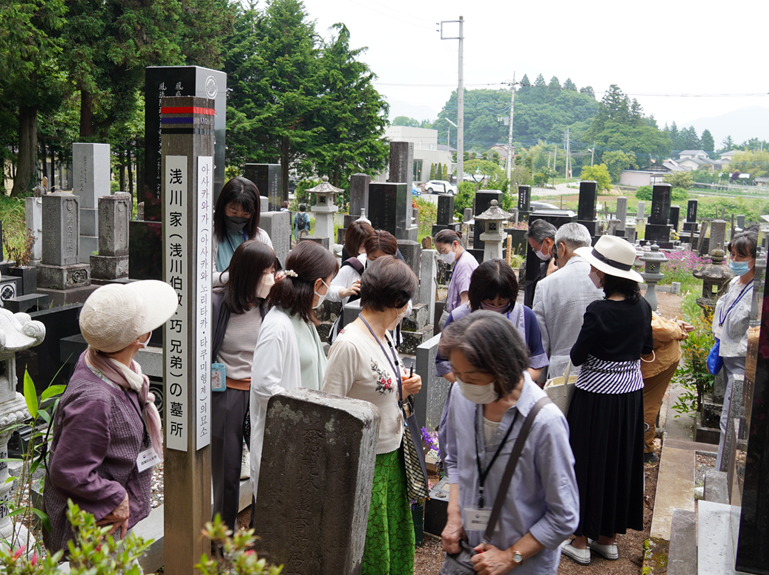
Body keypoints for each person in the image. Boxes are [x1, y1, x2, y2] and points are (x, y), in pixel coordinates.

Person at [439, 312, 579, 574]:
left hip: (522, 566)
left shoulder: (545, 423)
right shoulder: (462, 394)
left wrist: (510, 557)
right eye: (456, 373)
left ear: (502, 369)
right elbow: (455, 460)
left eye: (472, 377)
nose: (462, 384)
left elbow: (564, 516)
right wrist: (454, 516)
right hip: (468, 553)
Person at [44, 281, 177, 554]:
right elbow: (69, 471)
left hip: (107, 520)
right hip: (95, 526)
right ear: (140, 338)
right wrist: (117, 498)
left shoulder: (102, 362)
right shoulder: (95, 399)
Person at [322, 256, 422, 575]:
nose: (408, 307)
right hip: (366, 463)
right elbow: (329, 412)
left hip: (392, 455)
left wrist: (402, 391)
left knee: (392, 537)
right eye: (406, 300)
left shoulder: (385, 334)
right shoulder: (349, 345)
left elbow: (373, 392)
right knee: (372, 547)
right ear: (395, 301)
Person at [561, 235, 653, 565]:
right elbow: (646, 347)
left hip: (595, 397)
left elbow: (576, 355)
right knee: (617, 460)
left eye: (594, 269)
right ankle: (608, 538)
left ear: (604, 275)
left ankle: (582, 540)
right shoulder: (642, 306)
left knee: (587, 460)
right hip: (629, 397)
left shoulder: (598, 311)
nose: (592, 273)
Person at [249, 241, 338, 501]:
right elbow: (265, 387)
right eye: (329, 283)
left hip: (306, 436)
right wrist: (308, 412)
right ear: (318, 284)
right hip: (286, 440)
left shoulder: (301, 317)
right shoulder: (278, 325)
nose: (329, 290)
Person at [211, 240, 277, 530]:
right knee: (226, 470)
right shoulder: (216, 304)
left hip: (262, 395)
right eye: (266, 271)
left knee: (268, 465)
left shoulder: (271, 304)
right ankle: (223, 535)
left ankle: (264, 531)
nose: (271, 277)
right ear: (248, 273)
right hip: (227, 394)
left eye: (273, 270)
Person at [436, 258, 549, 382]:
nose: (496, 307)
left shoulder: (525, 316)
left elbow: (537, 361)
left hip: (513, 397)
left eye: (502, 302)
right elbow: (443, 363)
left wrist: (518, 385)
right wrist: (468, 387)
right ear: (477, 295)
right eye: (489, 302)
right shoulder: (459, 317)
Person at [532, 223, 603, 379]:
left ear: (562, 248)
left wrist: (541, 379)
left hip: (561, 374)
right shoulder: (604, 279)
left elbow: (541, 341)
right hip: (600, 374)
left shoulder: (546, 285)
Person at [712, 230, 757, 469]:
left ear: (756, 259)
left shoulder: (757, 293)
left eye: (741, 256)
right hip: (726, 356)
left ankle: (723, 472)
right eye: (733, 254)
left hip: (743, 363)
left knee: (730, 423)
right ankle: (722, 469)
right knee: (727, 420)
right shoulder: (734, 283)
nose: (735, 260)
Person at [641, 313, 693, 463]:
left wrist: (678, 329)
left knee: (647, 403)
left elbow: (663, 331)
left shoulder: (630, 303)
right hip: (656, 357)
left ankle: (646, 448)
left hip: (659, 360)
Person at [213, 177, 273, 283]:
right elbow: (206, 277)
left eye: (246, 213)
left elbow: (270, 271)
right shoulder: (209, 236)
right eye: (233, 211)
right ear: (223, 206)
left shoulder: (261, 236)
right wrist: (244, 277)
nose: (238, 217)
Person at [326, 220, 375, 343]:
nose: (364, 250)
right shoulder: (351, 268)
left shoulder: (387, 264)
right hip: (348, 328)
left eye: (367, 245)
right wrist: (344, 291)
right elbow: (329, 289)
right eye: (361, 246)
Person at [434, 229, 478, 316]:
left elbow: (466, 300)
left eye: (443, 250)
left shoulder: (465, 264)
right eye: (439, 252)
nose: (442, 255)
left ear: (455, 244)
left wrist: (459, 323)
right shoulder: (461, 261)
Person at [523, 219, 557, 308]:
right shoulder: (548, 262)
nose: (536, 252)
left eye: (535, 248)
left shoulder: (557, 263)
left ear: (547, 242)